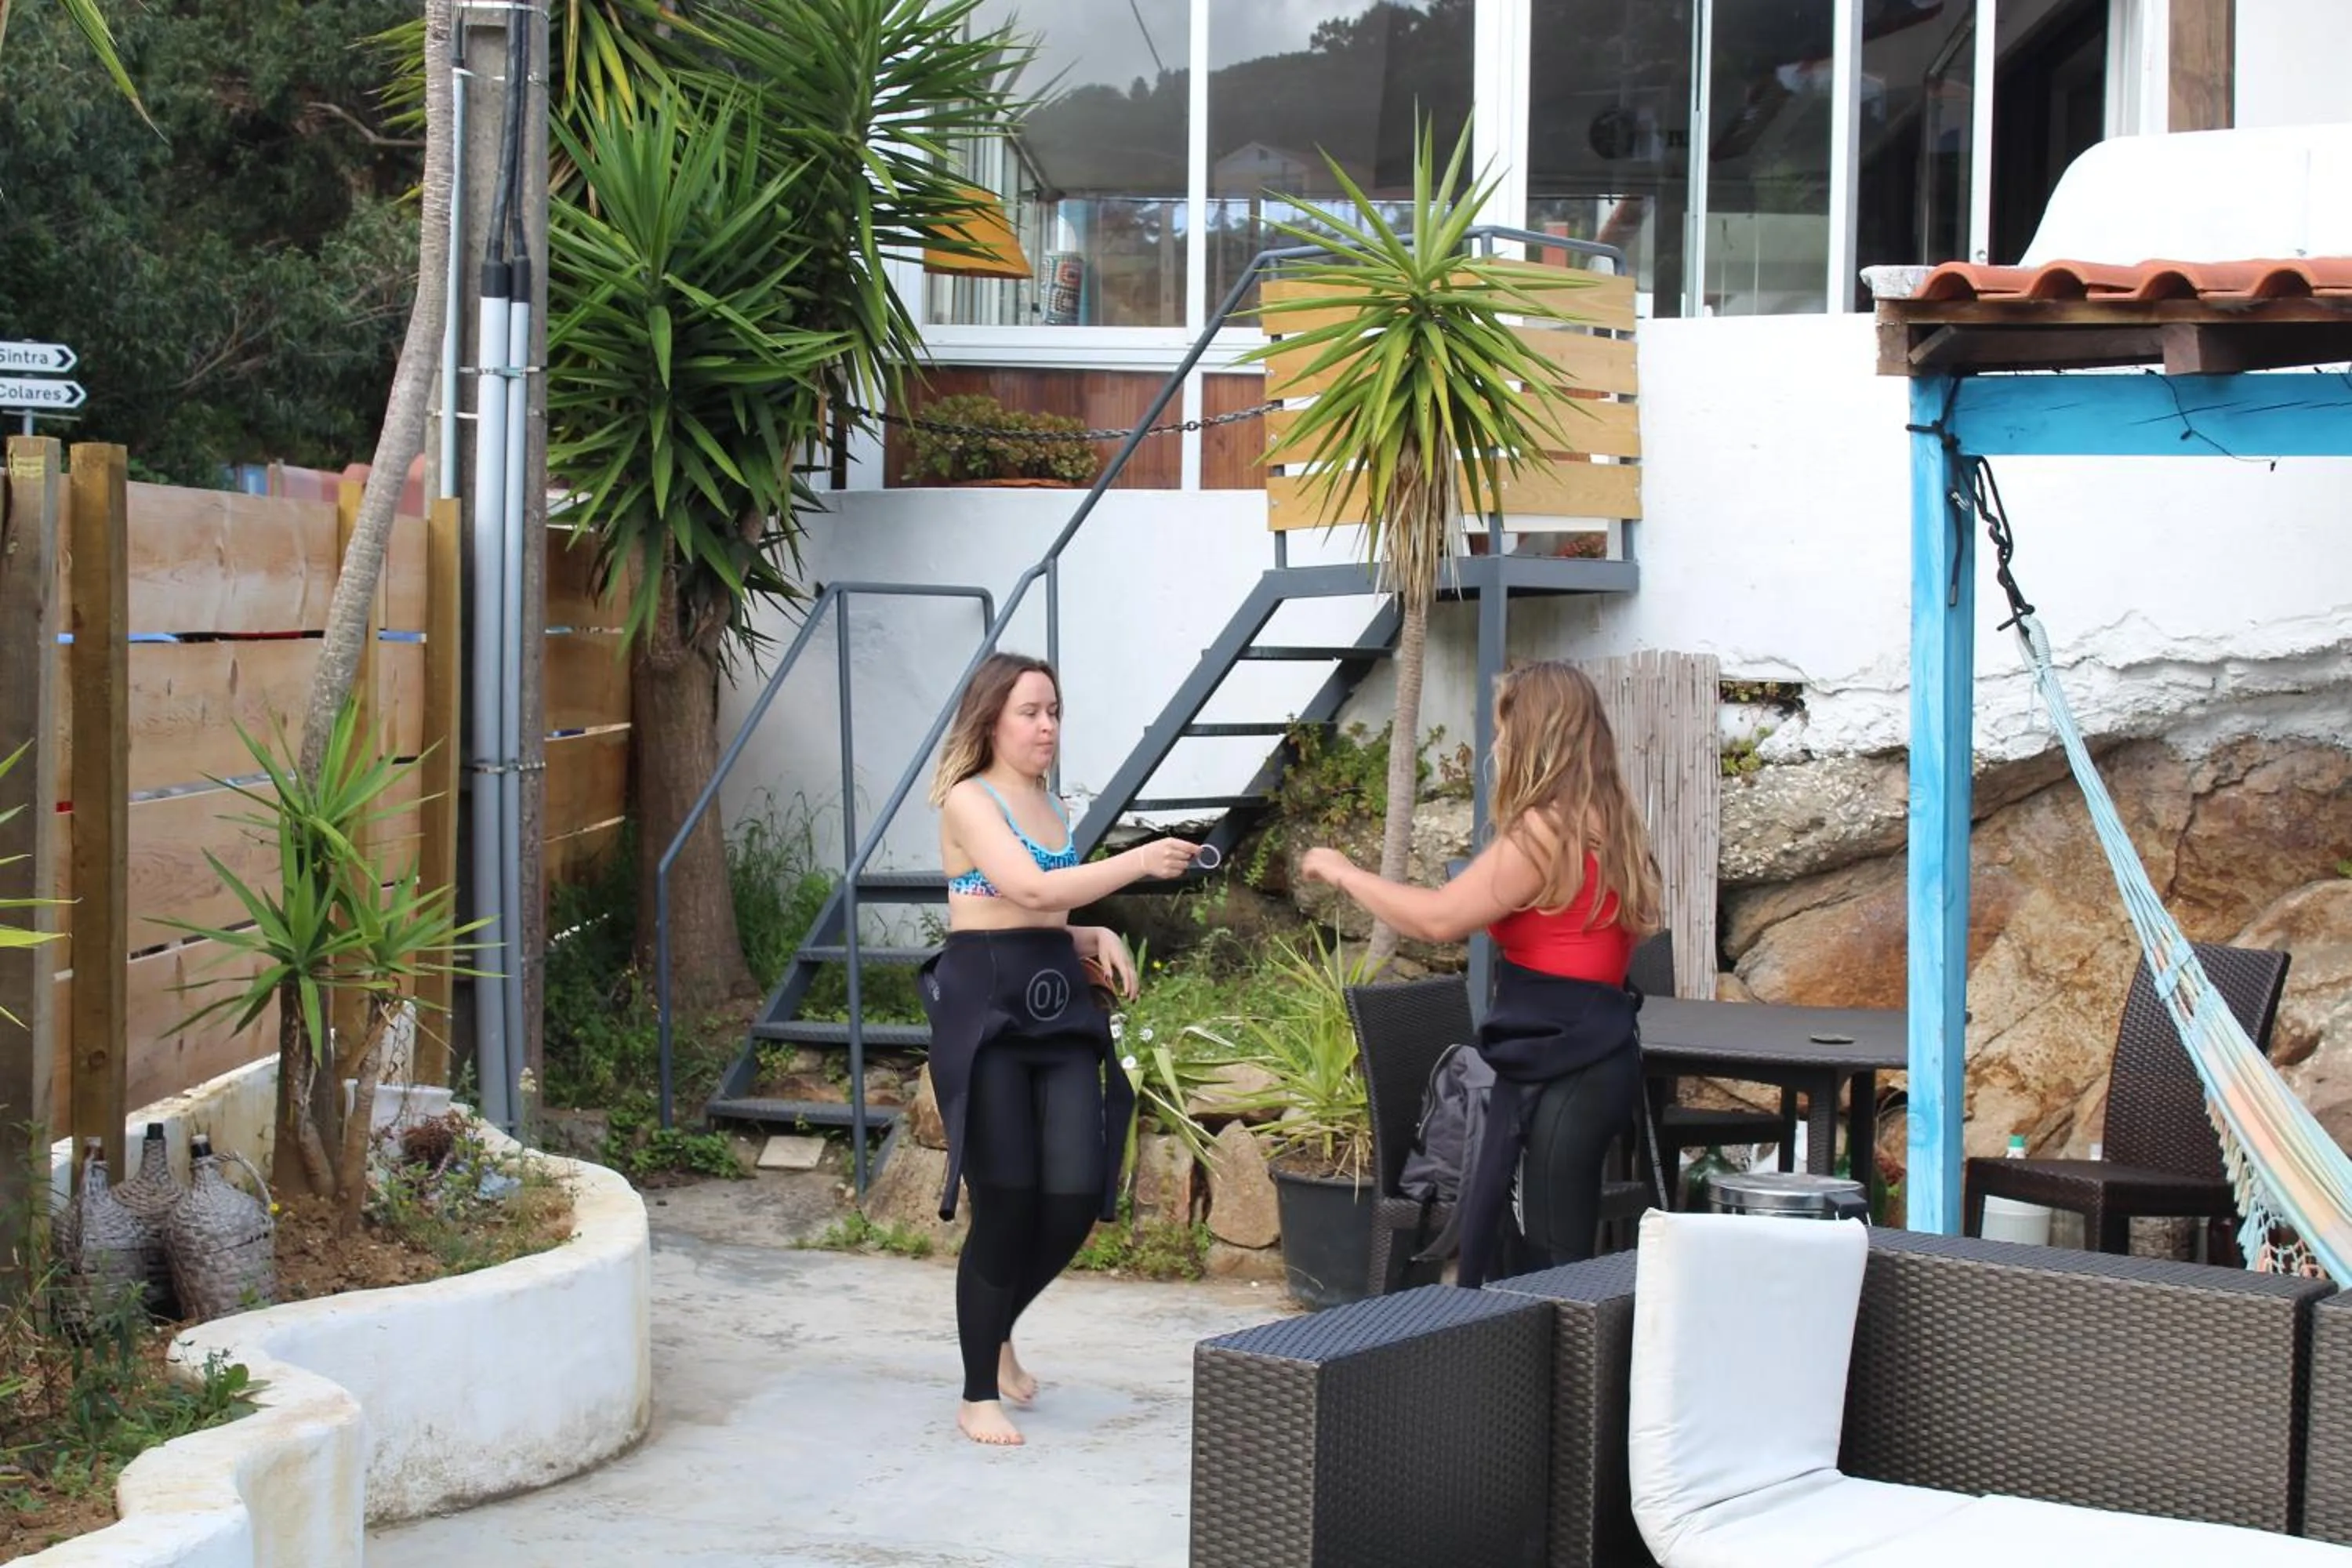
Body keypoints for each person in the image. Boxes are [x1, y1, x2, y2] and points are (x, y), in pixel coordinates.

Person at [1298, 659, 1662, 1287]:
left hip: (1563, 1063)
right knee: (1555, 1254)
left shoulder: (1544, 834)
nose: (1497, 743)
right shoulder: (1609, 821)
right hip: (1593, 1055)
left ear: (1535, 736)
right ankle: (1562, 1377)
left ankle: (1560, 1383)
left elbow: (1440, 919)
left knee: (1551, 1263)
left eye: (1504, 728)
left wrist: (1342, 872)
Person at [917, 652, 1199, 1446]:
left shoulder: (1048, 804)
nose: (1046, 726)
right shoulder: (969, 800)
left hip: (1056, 1003)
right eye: (1030, 712)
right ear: (991, 721)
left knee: (1076, 1194)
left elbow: (1039, 912)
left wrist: (1091, 929)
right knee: (1005, 1199)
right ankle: (978, 1390)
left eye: (1053, 711)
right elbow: (1028, 888)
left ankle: (997, 1324)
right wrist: (1139, 864)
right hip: (987, 1010)